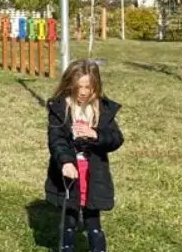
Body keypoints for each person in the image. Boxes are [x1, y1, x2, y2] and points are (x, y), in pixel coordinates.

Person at [46, 59, 123, 252]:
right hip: (70, 174)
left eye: (88, 87)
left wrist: (95, 134)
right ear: (70, 85)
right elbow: (57, 140)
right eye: (78, 87)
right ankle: (67, 247)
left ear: (95, 86)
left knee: (92, 221)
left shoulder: (103, 109)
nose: (83, 92)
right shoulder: (60, 108)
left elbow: (116, 138)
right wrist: (65, 162)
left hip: (94, 173)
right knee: (69, 219)